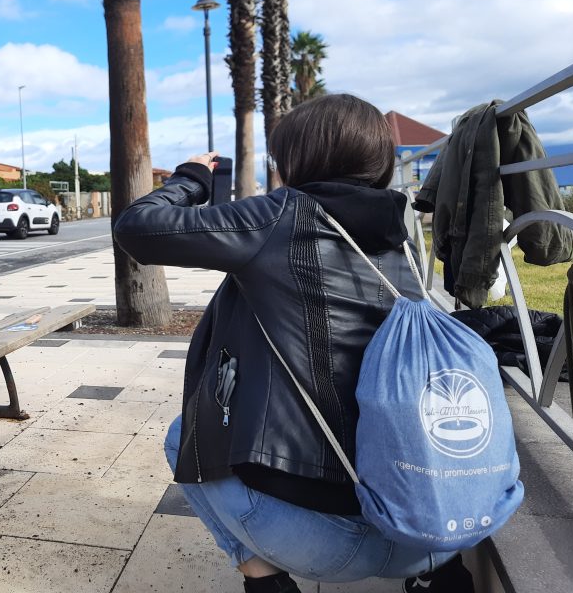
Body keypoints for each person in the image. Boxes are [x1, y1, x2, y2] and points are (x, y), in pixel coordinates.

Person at [112, 94, 476, 593]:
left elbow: (137, 228)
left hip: (329, 546)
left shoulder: (281, 215)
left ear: (297, 159)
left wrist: (191, 178)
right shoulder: (401, 231)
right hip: (432, 531)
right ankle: (442, 578)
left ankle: (265, 581)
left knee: (184, 435)